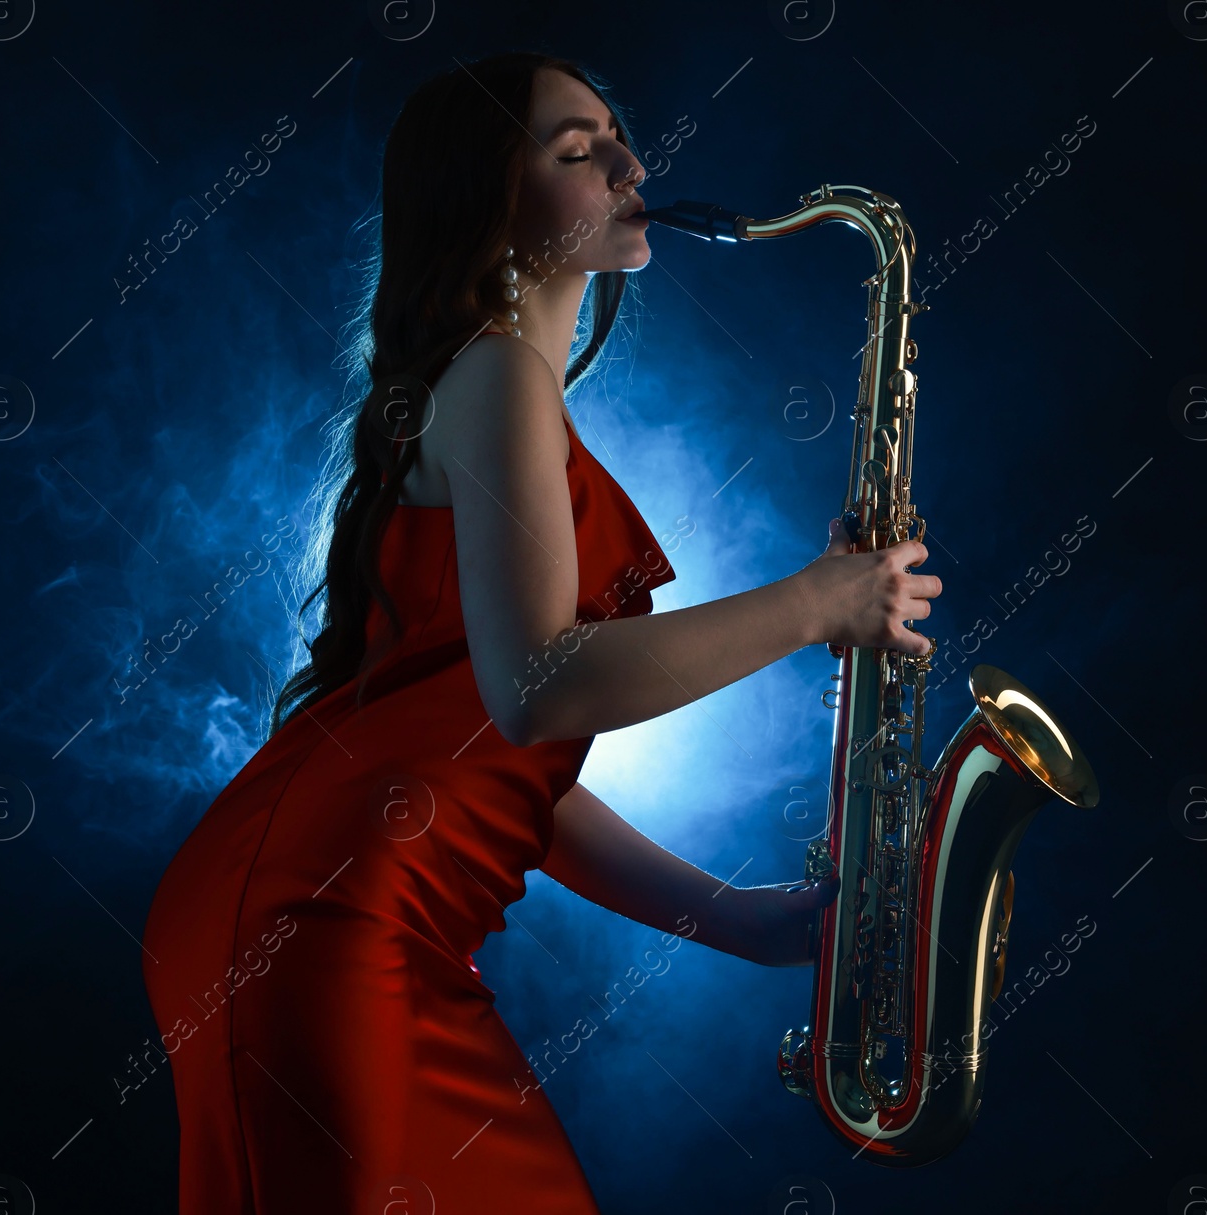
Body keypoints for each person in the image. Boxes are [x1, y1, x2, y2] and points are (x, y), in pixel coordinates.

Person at [140, 50, 940, 1214]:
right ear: (486, 203)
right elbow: (541, 690)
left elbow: (509, 763)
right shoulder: (500, 374)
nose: (628, 164)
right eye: (576, 152)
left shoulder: (496, 386)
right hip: (321, 916)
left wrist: (739, 923)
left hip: (338, 914)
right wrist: (819, 603)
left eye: (618, 136)